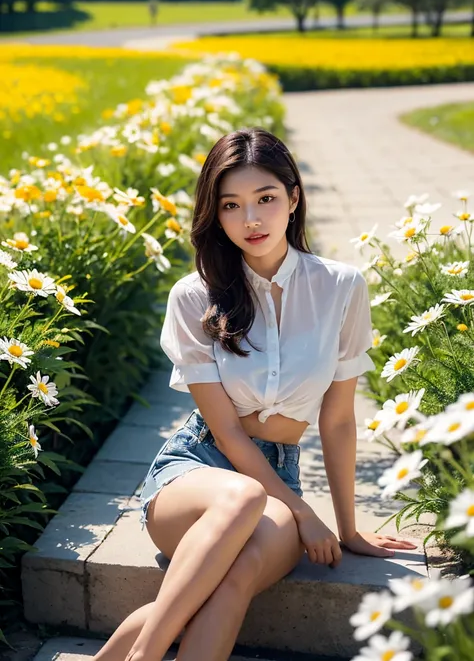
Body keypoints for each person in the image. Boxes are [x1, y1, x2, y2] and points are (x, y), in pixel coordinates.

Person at [95, 127, 417, 661]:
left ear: (293, 198)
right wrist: (302, 512)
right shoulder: (194, 296)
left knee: (234, 578)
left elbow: (337, 420)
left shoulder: (342, 287)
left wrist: (347, 525)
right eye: (231, 205)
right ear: (215, 216)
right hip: (196, 470)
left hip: (278, 473)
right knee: (242, 495)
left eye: (266, 199)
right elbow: (225, 432)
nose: (251, 220)